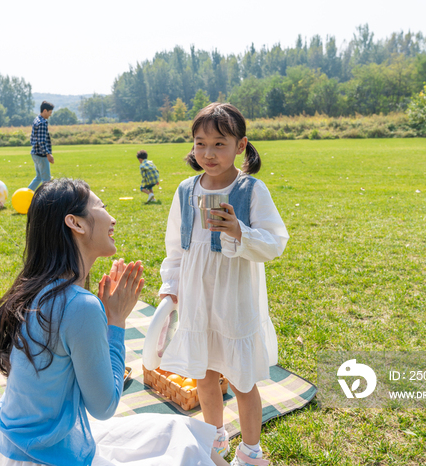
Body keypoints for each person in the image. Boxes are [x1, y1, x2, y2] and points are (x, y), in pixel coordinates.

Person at [0, 178, 227, 466]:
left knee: (180, 429)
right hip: (45, 458)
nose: (112, 218)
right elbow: (103, 406)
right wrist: (116, 323)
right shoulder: (78, 305)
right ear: (76, 223)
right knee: (187, 451)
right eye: (101, 207)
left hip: (19, 448)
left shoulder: (34, 289)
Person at [158, 103, 289, 466]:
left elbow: (274, 241)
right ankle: (213, 440)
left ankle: (250, 451)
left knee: (242, 380)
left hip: (235, 300)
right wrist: (171, 288)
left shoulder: (251, 190)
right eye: (201, 144)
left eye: (219, 143)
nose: (209, 153)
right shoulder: (186, 191)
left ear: (240, 145)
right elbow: (176, 245)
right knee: (205, 374)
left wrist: (238, 230)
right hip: (198, 301)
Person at [28, 101, 54, 191]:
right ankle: (47, 201)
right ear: (45, 110)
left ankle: (26, 194)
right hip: (41, 155)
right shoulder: (42, 123)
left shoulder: (36, 119)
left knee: (38, 177)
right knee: (46, 180)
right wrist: (48, 154)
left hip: (35, 153)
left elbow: (33, 139)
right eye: (50, 112)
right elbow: (41, 141)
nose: (50, 115)